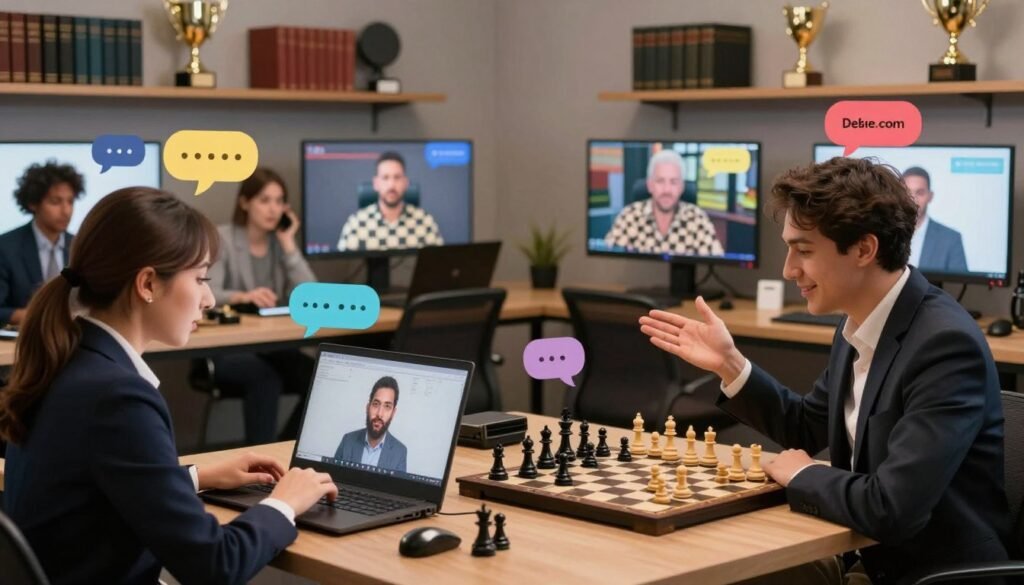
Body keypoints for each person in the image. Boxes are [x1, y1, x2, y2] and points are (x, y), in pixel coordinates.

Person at [639, 157, 1010, 584]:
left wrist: (805, 474)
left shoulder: (944, 346)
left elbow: (892, 509)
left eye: (804, 250)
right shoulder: (859, 321)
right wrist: (730, 364)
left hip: (932, 577)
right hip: (868, 561)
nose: (788, 269)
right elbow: (806, 427)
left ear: (864, 250)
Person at [0, 187, 338, 585]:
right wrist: (285, 503)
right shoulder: (117, 397)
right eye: (200, 278)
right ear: (147, 284)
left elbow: (94, 482)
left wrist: (196, 477)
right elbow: (216, 566)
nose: (209, 298)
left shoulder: (70, 361)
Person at [207, 167, 317, 444]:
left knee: (318, 375)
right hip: (227, 349)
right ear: (245, 202)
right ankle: (263, 459)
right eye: (265, 200)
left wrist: (289, 243)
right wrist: (243, 297)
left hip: (271, 345)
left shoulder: (280, 244)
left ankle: (285, 447)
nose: (273, 209)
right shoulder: (223, 239)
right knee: (264, 379)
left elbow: (310, 294)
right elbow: (207, 292)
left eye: (279, 201)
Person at [0, 161, 84, 326]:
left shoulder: (80, 245)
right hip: (23, 340)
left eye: (70, 202)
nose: (66, 211)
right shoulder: (5, 247)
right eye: (55, 202)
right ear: (33, 204)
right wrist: (29, 316)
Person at [604, 149, 724, 256]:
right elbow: (607, 257)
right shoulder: (629, 215)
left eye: (673, 182)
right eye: (660, 181)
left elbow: (717, 260)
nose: (667, 190)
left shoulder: (698, 218)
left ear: (682, 187)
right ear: (650, 185)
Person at [336, 151, 444, 251]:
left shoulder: (425, 222)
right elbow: (342, 268)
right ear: (376, 183)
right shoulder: (356, 224)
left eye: (397, 177)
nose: (391, 185)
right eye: (385, 177)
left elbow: (438, 264)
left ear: (405, 183)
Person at [334, 376, 408, 473]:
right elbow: (332, 480)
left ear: (393, 413)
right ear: (368, 407)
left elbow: (397, 488)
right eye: (376, 404)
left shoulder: (400, 452)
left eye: (387, 406)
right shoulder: (347, 440)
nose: (379, 414)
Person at [901, 166, 968, 274]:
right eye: (907, 192)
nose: (912, 199)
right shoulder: (885, 233)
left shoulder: (951, 239)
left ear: (930, 196)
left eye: (920, 192)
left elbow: (960, 279)